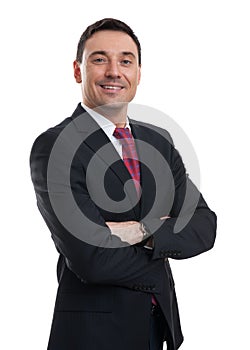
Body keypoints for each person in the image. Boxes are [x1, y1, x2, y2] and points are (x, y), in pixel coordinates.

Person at [30, 18, 217, 350]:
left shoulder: (158, 141)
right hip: (94, 335)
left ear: (138, 74)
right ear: (78, 71)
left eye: (126, 61)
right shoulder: (55, 146)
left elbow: (204, 226)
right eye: (99, 59)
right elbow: (92, 259)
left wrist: (140, 231)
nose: (114, 71)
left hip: (158, 329)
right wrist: (162, 251)